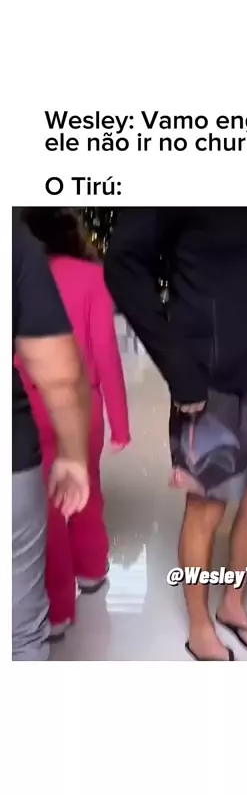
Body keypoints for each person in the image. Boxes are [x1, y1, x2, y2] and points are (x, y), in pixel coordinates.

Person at [105, 208, 247, 660]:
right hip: (210, 384)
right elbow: (123, 264)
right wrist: (178, 367)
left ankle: (232, 603)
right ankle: (199, 626)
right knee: (207, 507)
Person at [17, 208, 131, 640]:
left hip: (32, 404)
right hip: (85, 405)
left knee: (49, 506)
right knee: (88, 485)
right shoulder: (92, 277)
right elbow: (106, 352)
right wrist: (120, 423)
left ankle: (59, 613)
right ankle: (93, 570)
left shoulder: (19, 274)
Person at [12, 212, 91, 660]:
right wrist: (74, 455)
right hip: (12, 458)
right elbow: (60, 372)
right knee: (21, 632)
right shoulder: (14, 241)